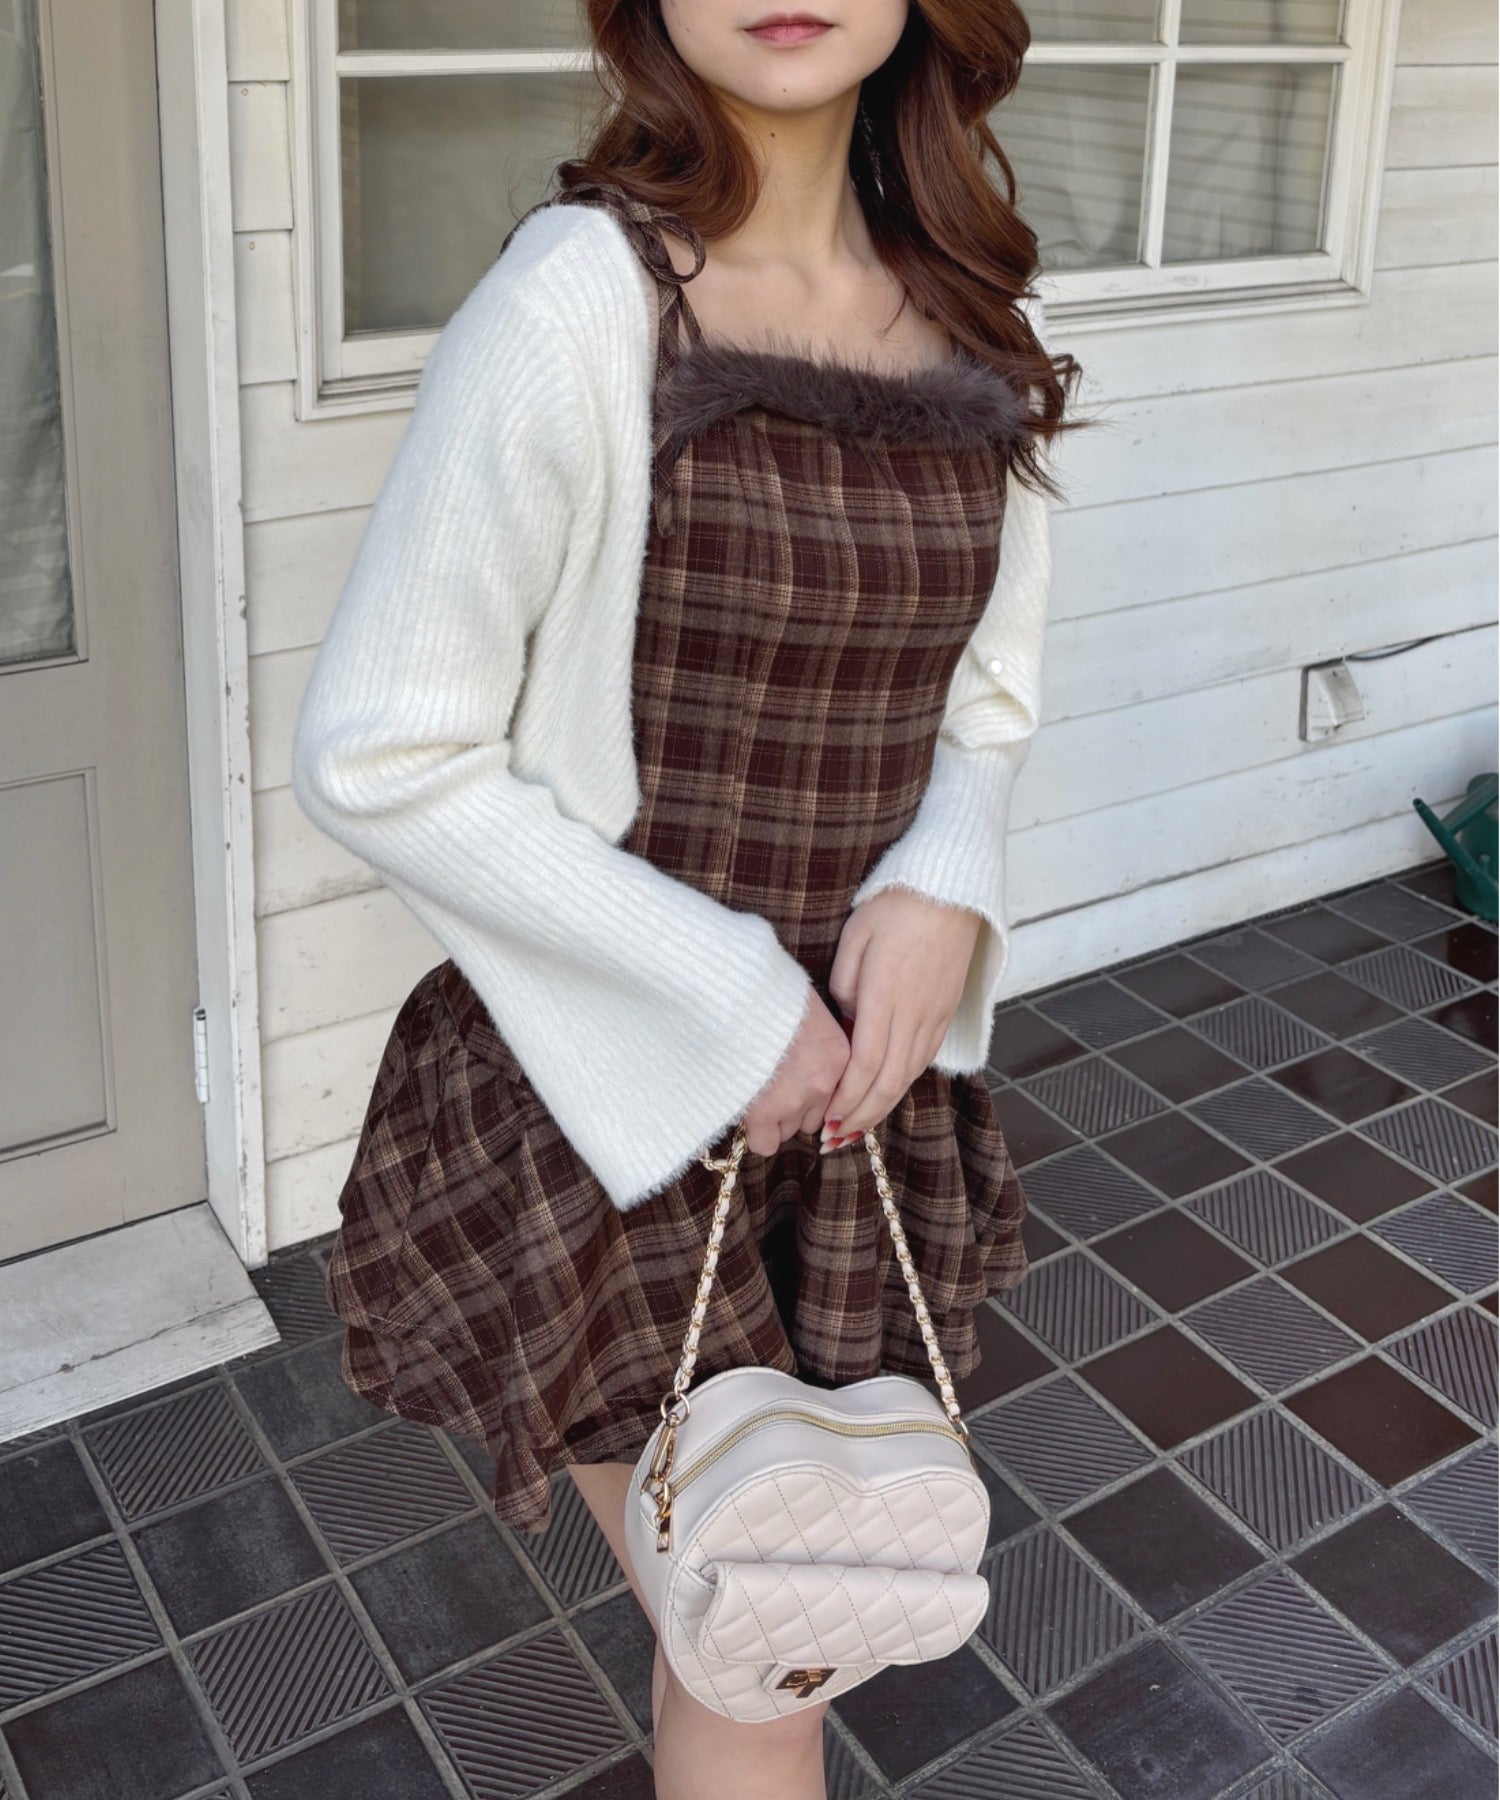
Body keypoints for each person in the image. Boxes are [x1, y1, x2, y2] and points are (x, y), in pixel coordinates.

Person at [291, 1, 1085, 1793]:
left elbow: (991, 694)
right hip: (628, 1101)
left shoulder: (975, 301)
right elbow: (379, 749)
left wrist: (946, 878)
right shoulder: (584, 297)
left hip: (856, 1103)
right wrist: (728, 1000)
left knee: (780, 1608)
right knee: (767, 1648)